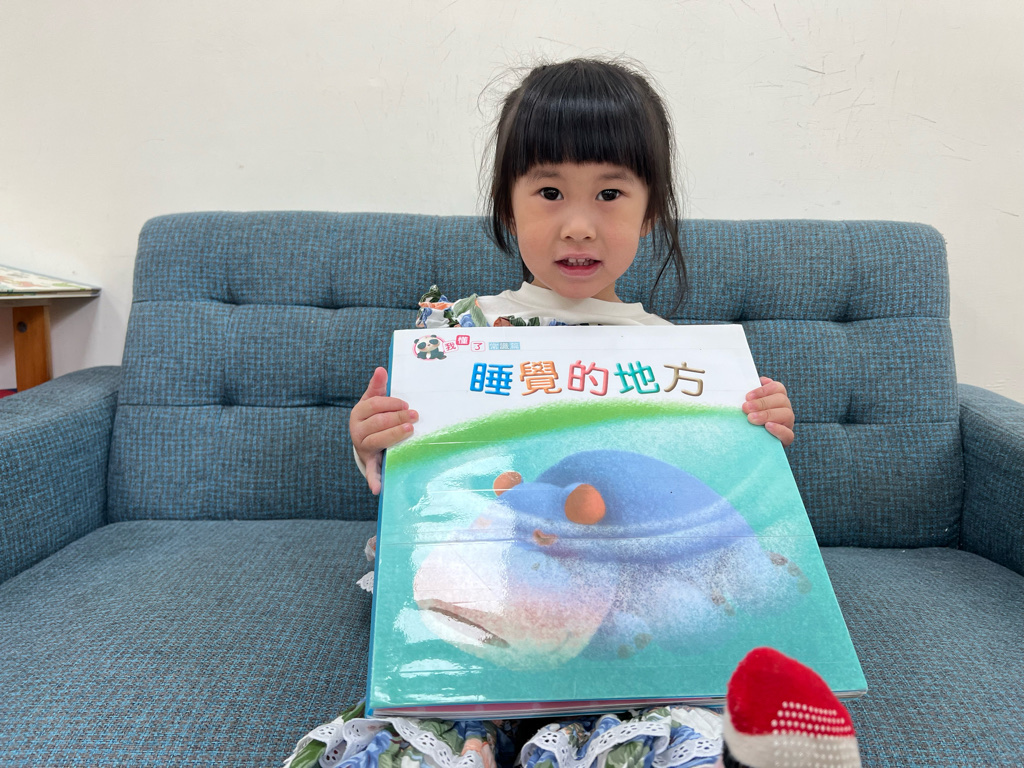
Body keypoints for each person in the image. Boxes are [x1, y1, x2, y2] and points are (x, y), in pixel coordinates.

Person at [302, 57, 859, 768]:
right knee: (433, 726)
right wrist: (375, 439)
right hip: (489, 586)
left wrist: (755, 431)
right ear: (508, 205)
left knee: (660, 719)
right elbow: (426, 483)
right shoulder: (462, 332)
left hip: (612, 607)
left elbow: (696, 502)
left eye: (610, 194)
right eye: (549, 192)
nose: (578, 225)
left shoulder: (674, 357)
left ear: (650, 211)